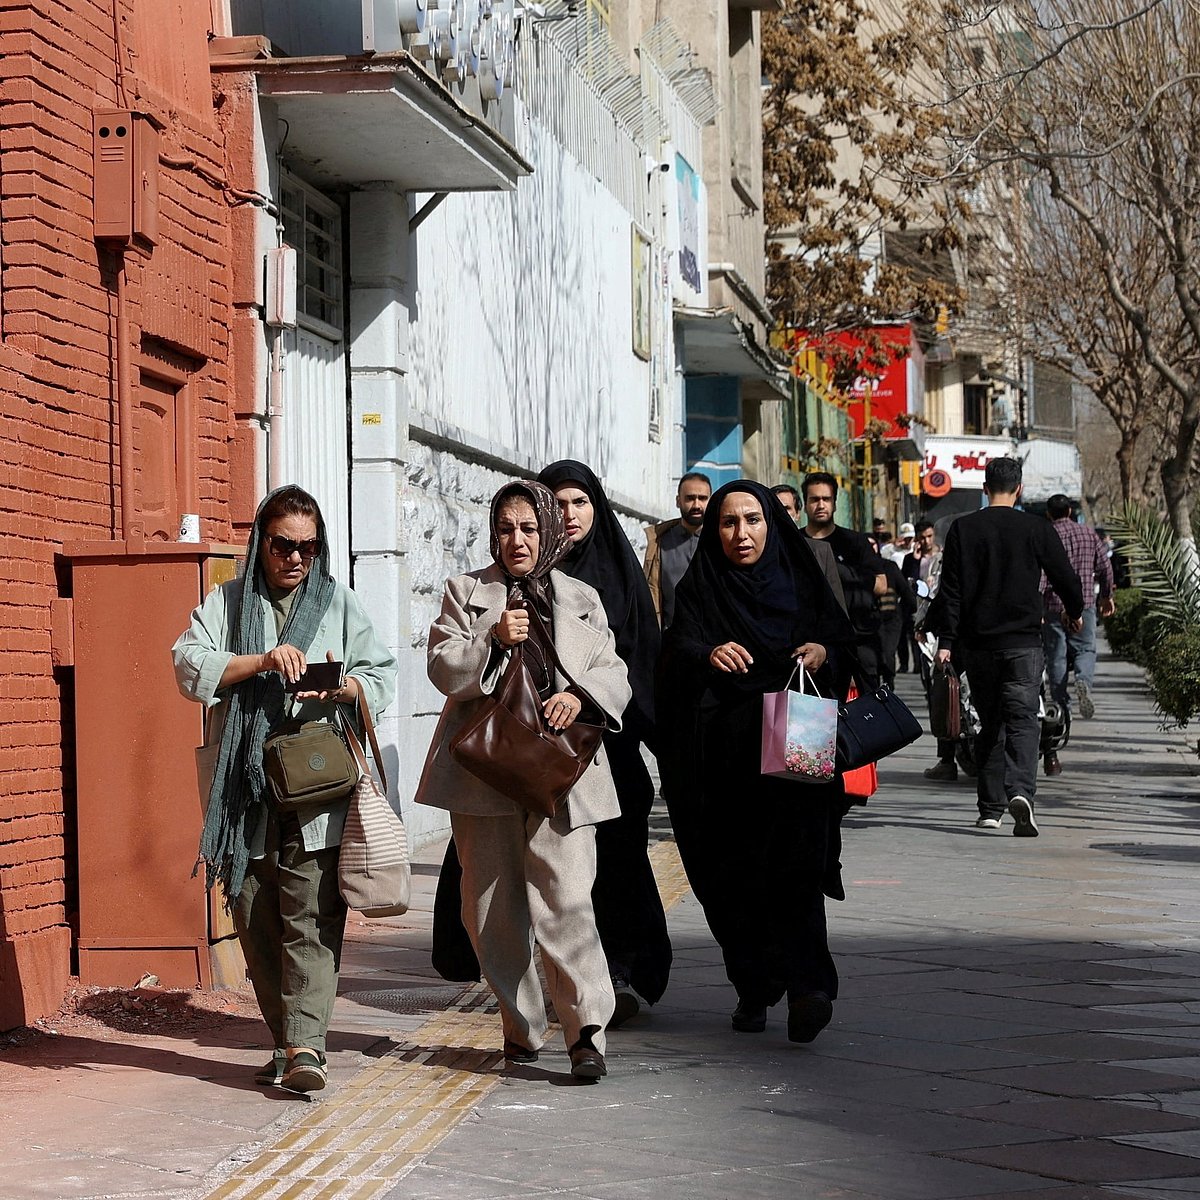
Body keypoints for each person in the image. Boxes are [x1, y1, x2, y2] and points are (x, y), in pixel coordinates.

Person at [173, 485, 396, 1094]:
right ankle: (285, 1040)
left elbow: (381, 674)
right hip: (244, 789)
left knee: (311, 913)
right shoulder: (227, 602)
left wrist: (343, 687)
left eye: (308, 547)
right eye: (283, 545)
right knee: (253, 914)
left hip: (317, 783)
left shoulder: (338, 602)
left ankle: (306, 1046)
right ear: (260, 543)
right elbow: (188, 665)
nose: (296, 558)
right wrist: (262, 662)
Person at [415, 481, 631, 1080]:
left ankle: (586, 1032)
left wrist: (579, 697)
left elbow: (614, 670)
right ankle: (521, 1026)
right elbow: (442, 668)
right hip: (484, 774)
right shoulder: (466, 592)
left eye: (530, 528)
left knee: (569, 903)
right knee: (491, 913)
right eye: (506, 528)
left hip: (562, 774)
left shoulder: (581, 596)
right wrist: (490, 638)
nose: (518, 540)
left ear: (549, 532)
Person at [660, 481, 854, 1044]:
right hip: (724, 757)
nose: (741, 533)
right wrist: (708, 652)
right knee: (734, 875)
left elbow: (843, 642)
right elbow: (675, 653)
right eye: (728, 523)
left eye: (752, 520)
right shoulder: (702, 586)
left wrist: (823, 652)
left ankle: (809, 989)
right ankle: (755, 984)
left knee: (798, 867)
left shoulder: (801, 580)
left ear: (772, 523)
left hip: (797, 742)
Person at [538, 460, 671, 1026]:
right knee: (558, 873)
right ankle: (567, 980)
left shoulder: (619, 574)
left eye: (580, 502)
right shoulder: (526, 571)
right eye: (557, 504)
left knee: (618, 864)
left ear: (597, 508)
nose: (569, 515)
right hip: (543, 752)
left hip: (611, 751)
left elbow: (642, 663)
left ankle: (622, 971)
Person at [934, 459, 1083, 837]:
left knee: (990, 722)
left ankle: (990, 808)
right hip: (1023, 643)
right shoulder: (1036, 528)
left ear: (985, 488)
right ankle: (1020, 792)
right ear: (1019, 489)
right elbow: (1065, 577)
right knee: (1023, 719)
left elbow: (950, 590)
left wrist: (946, 642)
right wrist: (1075, 610)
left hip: (978, 645)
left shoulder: (963, 528)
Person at [1040, 494, 1116, 775]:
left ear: (1048, 514)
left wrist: (1037, 603)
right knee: (1085, 649)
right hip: (1083, 604)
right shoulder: (1088, 534)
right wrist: (1106, 595)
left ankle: (1060, 705)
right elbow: (1104, 567)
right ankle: (1083, 681)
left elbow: (1040, 573)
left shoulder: (1046, 535)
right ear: (1070, 511)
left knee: (1056, 655)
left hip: (1053, 606)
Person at [801, 472, 887, 689]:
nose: (821, 505)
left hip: (858, 642)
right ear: (804, 504)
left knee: (866, 707)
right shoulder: (796, 543)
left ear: (835, 503)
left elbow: (881, 585)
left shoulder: (855, 542)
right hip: (811, 646)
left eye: (826, 499)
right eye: (814, 499)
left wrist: (839, 572)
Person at [643, 472, 711, 628]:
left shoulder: (721, 541)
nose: (696, 505)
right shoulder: (657, 542)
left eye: (702, 498)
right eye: (690, 498)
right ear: (678, 501)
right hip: (670, 635)